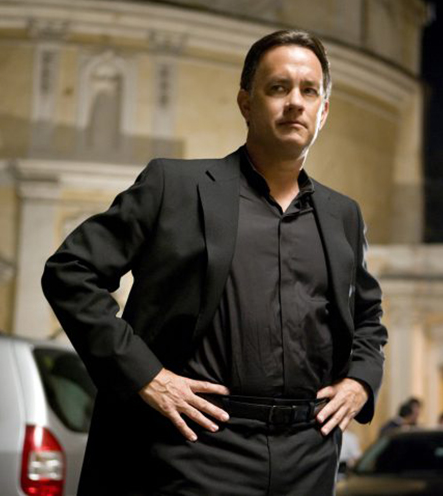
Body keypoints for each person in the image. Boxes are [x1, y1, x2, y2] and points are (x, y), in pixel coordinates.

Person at [42, 29, 387, 496]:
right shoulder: (174, 186)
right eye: (278, 87)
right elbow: (70, 272)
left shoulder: (343, 215)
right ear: (246, 103)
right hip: (195, 449)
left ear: (323, 111)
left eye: (309, 91)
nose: (295, 103)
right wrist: (147, 376)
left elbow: (367, 317)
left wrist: (361, 381)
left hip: (310, 454)